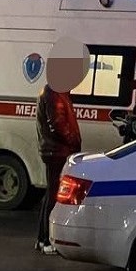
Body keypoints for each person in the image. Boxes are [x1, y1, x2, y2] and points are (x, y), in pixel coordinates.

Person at [36, 37, 89, 255]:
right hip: (57, 151)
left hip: (57, 150)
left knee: (52, 194)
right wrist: (74, 142)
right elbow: (57, 124)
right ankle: (45, 240)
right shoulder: (54, 91)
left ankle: (43, 239)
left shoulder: (58, 90)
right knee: (53, 195)